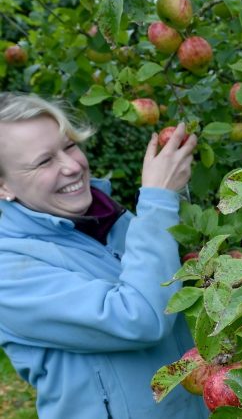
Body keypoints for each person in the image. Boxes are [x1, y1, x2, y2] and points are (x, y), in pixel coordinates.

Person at [0, 93, 208, 419]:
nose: (71, 166)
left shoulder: (114, 222)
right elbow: (140, 317)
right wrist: (157, 202)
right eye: (44, 161)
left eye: (69, 146)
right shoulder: (8, 272)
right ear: (3, 186)